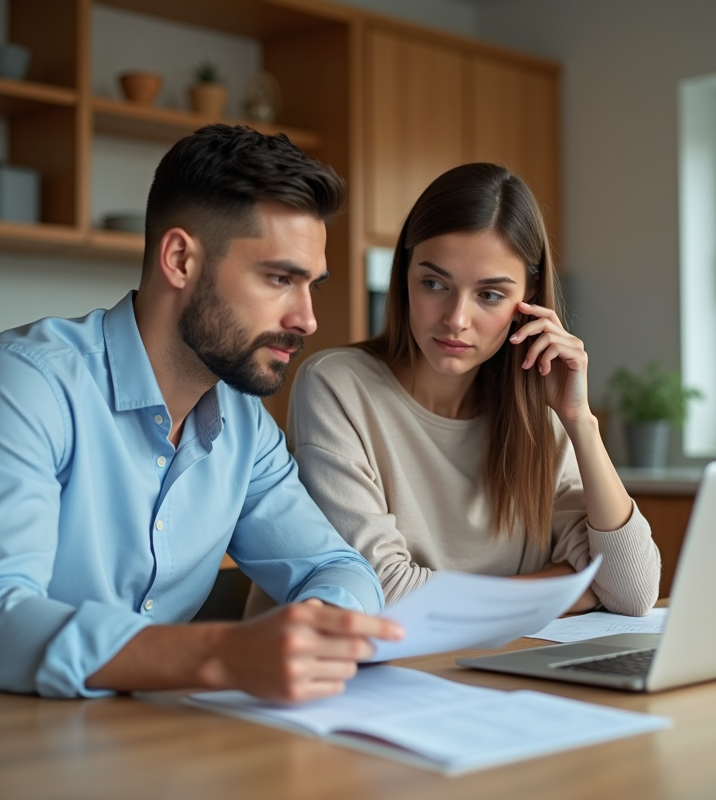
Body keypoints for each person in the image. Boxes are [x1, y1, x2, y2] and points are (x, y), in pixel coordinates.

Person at [0, 125, 402, 712]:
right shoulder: (23, 384)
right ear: (180, 259)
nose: (308, 318)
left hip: (96, 739)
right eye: (280, 278)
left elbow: (338, 566)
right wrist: (224, 654)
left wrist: (320, 627)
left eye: (312, 285)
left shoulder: (246, 426)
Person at [259, 163, 660, 615]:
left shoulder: (537, 410)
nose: (456, 319)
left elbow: (631, 591)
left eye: (489, 295)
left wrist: (580, 423)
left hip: (486, 671)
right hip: (343, 677)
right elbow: (381, 591)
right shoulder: (338, 385)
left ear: (526, 298)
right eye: (434, 284)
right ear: (405, 275)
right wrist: (563, 589)